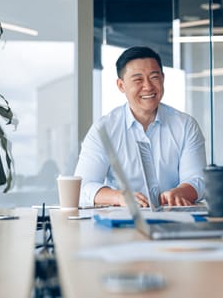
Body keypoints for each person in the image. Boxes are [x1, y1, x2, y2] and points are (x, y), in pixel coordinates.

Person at [76, 46, 206, 207]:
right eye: (138, 79)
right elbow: (83, 188)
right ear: (121, 85)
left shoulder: (186, 126)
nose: (148, 86)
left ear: (163, 79)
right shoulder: (104, 129)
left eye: (154, 77)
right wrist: (120, 197)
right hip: (120, 223)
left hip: (174, 219)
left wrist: (180, 192)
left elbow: (197, 180)